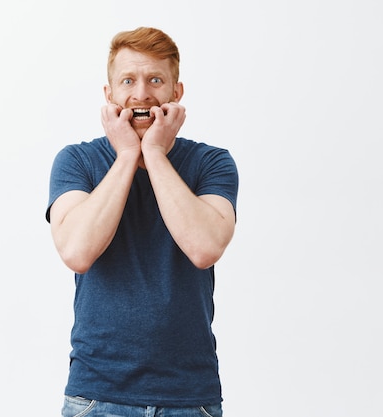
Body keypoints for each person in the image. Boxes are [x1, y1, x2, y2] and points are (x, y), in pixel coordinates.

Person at [46, 26, 239, 417]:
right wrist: (125, 157)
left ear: (176, 92)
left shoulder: (212, 163)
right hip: (96, 397)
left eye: (155, 80)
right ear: (109, 94)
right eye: (128, 81)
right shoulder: (76, 161)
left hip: (190, 397)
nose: (141, 94)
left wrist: (153, 153)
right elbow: (77, 252)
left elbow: (204, 248)